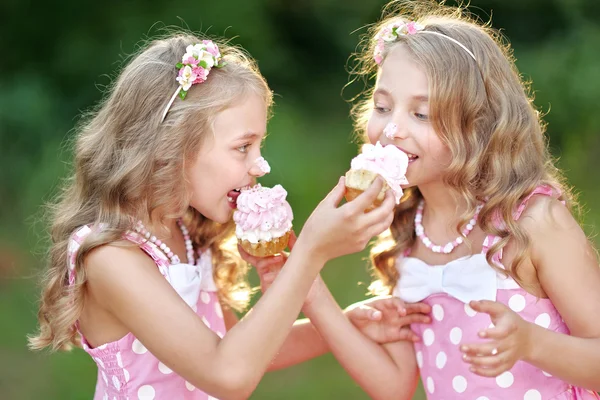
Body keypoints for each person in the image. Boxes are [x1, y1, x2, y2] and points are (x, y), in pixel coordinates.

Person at [27, 31, 406, 400]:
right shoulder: (112, 258)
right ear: (172, 147)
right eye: (243, 147)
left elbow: (240, 350)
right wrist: (309, 253)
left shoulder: (188, 233)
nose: (260, 164)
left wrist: (344, 325)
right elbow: (229, 375)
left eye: (260, 144)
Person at [266, 1, 600, 398]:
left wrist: (532, 344)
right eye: (382, 106)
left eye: (421, 114)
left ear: (480, 125)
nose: (392, 129)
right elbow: (393, 384)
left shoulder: (533, 221)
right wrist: (311, 288)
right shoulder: (409, 230)